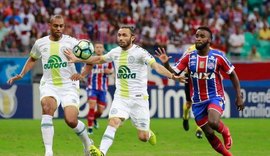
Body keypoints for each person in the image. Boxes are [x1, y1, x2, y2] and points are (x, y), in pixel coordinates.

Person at [64, 25, 185, 156]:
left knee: (142, 137)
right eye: (119, 35)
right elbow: (99, 59)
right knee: (113, 122)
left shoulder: (140, 52)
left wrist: (172, 76)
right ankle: (101, 152)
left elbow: (156, 66)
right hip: (121, 97)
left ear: (132, 38)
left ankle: (148, 133)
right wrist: (78, 59)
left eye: (124, 35)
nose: (120, 38)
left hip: (139, 99)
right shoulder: (115, 52)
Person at [7, 15, 93, 156]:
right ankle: (48, 152)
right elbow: (32, 58)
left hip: (69, 85)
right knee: (47, 108)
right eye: (56, 26)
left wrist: (82, 74)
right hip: (49, 84)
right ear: (49, 25)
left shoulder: (72, 42)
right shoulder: (40, 43)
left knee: (71, 120)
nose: (59, 28)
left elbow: (90, 61)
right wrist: (21, 74)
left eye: (61, 26)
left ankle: (87, 144)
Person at [156, 26, 244, 156]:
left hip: (215, 96)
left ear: (209, 40)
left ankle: (226, 131)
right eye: (197, 36)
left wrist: (239, 96)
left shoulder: (218, 57)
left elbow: (232, 74)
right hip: (197, 102)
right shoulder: (189, 57)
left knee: (214, 122)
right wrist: (166, 65)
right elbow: (175, 72)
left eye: (202, 36)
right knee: (209, 134)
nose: (198, 39)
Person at [70, 42, 114, 135]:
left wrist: (108, 71)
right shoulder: (89, 60)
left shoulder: (107, 60)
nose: (98, 49)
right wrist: (81, 74)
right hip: (92, 87)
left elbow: (112, 71)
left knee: (101, 111)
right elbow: (84, 71)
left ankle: (94, 119)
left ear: (103, 49)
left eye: (100, 47)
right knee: (92, 106)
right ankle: (89, 128)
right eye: (97, 47)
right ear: (94, 49)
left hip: (103, 88)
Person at [181, 45, 203, 139]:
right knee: (189, 103)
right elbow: (183, 65)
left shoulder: (211, 51)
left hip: (203, 79)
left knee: (202, 103)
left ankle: (199, 128)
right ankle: (185, 117)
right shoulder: (190, 50)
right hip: (190, 79)